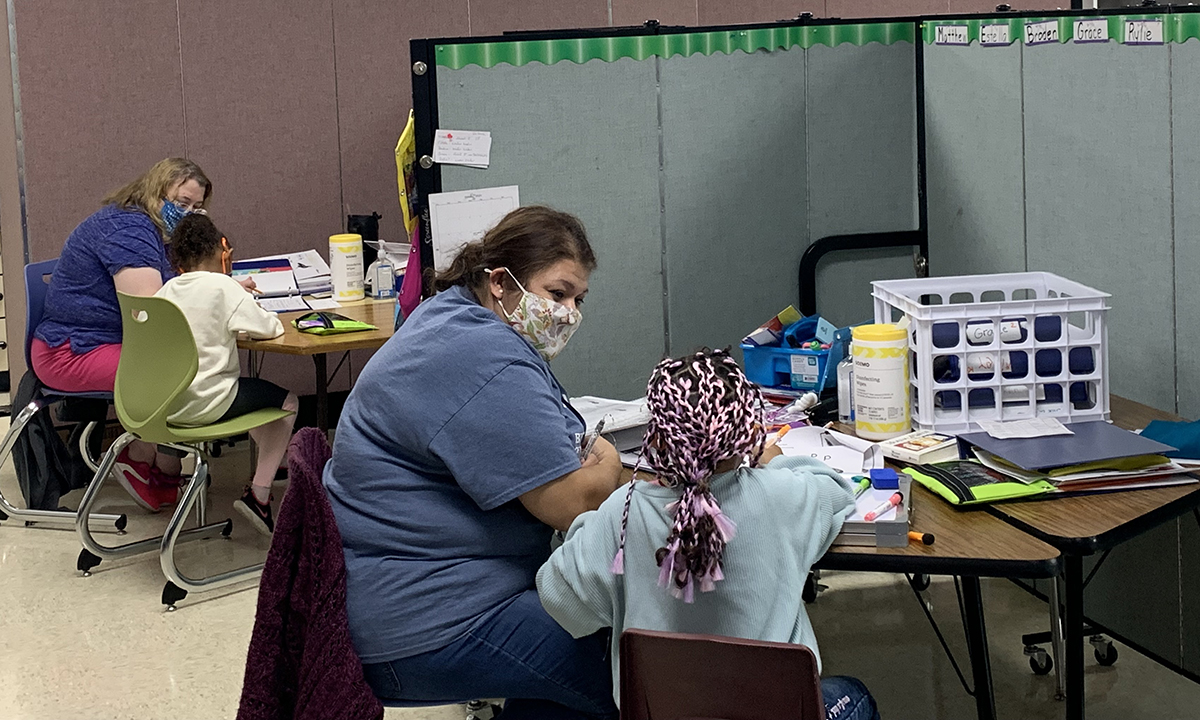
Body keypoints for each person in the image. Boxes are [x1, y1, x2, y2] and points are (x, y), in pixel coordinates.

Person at [323, 206, 624, 719]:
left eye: (579, 298)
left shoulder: (450, 317)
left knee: (590, 642)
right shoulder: (482, 355)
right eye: (557, 294)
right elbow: (572, 504)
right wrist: (611, 462)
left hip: (407, 592)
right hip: (427, 623)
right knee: (630, 663)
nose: (570, 312)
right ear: (500, 283)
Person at [535, 349, 881, 720]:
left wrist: (593, 523)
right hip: (773, 711)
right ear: (748, 432)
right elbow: (836, 490)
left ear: (658, 438)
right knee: (853, 694)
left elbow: (561, 599)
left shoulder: (623, 511)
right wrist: (775, 460)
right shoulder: (781, 496)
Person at [30, 158, 235, 512]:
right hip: (69, 351)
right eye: (181, 203)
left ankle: (162, 468)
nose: (188, 213)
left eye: (197, 207)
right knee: (180, 374)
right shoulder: (127, 230)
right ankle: (138, 456)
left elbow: (181, 284)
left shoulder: (156, 232)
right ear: (155, 194)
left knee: (188, 366)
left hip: (106, 343)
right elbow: (150, 313)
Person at [155, 214, 298, 535]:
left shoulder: (166, 290)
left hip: (167, 405)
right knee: (287, 403)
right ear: (223, 251)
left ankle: (278, 457)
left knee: (261, 410)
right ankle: (259, 495)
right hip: (210, 403)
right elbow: (269, 327)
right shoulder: (223, 286)